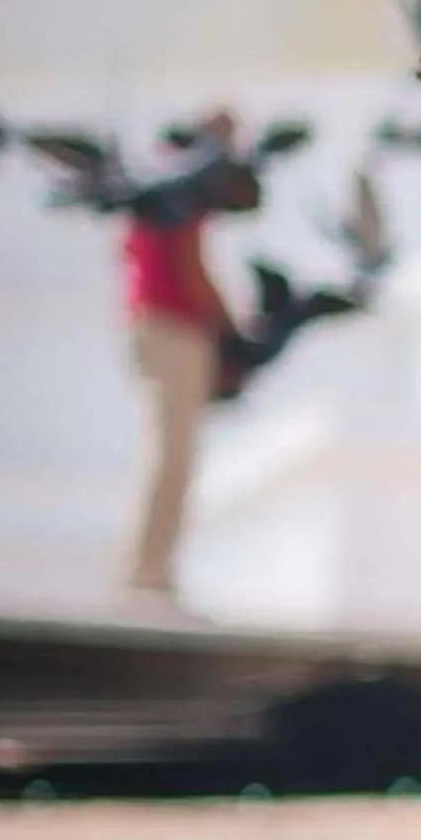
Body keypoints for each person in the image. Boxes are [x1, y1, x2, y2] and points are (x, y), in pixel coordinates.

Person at [121, 124, 242, 601]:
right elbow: (192, 268)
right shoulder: (187, 187)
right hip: (175, 328)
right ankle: (149, 571)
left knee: (165, 451)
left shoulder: (153, 180)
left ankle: (149, 566)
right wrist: (232, 330)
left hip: (149, 325)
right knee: (173, 456)